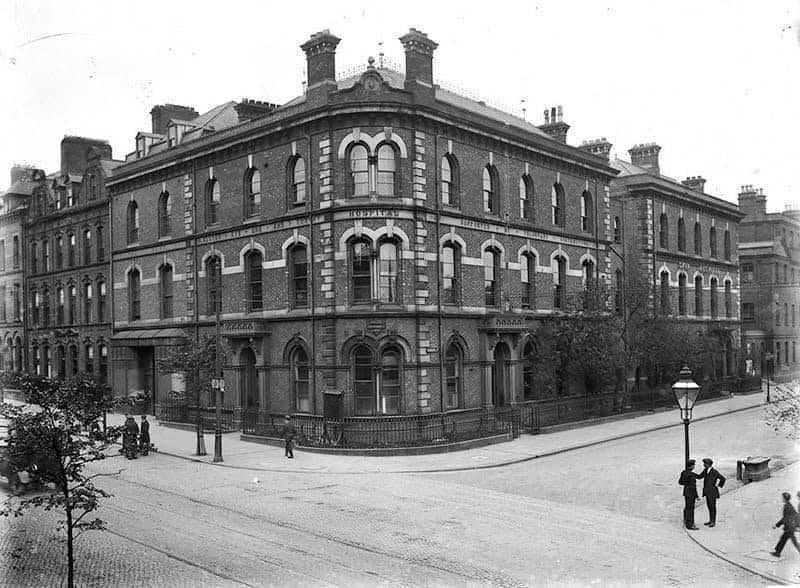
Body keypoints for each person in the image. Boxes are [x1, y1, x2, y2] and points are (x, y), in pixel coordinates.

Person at [698, 458, 726, 527]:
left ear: (708, 464)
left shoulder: (714, 471)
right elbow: (700, 476)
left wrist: (718, 485)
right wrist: (691, 474)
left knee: (712, 507)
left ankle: (713, 521)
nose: (703, 465)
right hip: (707, 492)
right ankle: (711, 520)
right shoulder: (705, 470)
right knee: (709, 506)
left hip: (713, 492)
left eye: (705, 464)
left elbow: (723, 479)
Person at [771, 492, 800, 557]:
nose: (781, 499)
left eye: (782, 497)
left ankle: (777, 552)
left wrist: (776, 525)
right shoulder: (789, 505)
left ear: (785, 499)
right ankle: (777, 552)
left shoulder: (787, 506)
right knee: (783, 539)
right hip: (790, 527)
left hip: (789, 528)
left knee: (793, 542)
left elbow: (785, 518)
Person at [678, 459, 700, 530]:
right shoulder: (691, 475)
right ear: (691, 466)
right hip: (691, 494)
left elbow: (680, 482)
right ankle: (690, 525)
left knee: (687, 507)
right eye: (693, 465)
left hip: (686, 492)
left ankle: (686, 521)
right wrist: (697, 496)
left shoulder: (684, 472)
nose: (694, 466)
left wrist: (686, 484)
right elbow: (693, 487)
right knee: (691, 509)